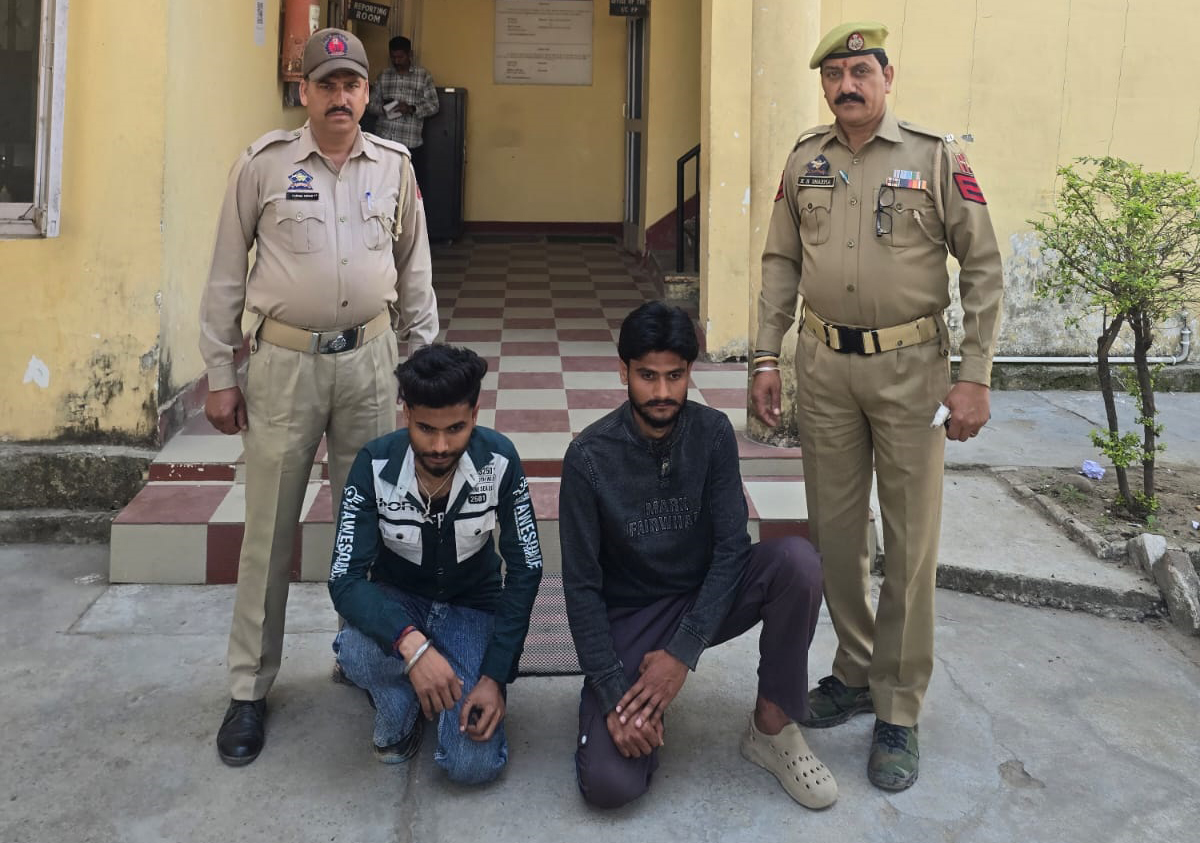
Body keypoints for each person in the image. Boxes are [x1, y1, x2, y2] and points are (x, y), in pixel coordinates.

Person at [751, 21, 1004, 791]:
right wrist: (766, 354)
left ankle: (898, 705)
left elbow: (983, 265)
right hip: (824, 367)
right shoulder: (805, 159)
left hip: (912, 372)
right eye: (833, 75)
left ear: (887, 77)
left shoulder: (935, 157)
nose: (846, 85)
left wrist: (975, 374)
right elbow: (780, 260)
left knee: (910, 542)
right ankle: (856, 670)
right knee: (834, 538)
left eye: (860, 71)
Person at [200, 27, 439, 767]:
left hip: (371, 364)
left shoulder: (395, 167)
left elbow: (416, 271)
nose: (341, 96)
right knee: (269, 531)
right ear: (304, 91)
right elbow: (225, 274)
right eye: (327, 83)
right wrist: (219, 372)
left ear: (368, 94)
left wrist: (425, 368)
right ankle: (248, 687)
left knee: (375, 527)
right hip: (285, 367)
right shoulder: (263, 165)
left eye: (352, 84)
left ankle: (363, 658)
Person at [560, 301, 837, 811]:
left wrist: (681, 654)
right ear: (623, 371)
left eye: (675, 376)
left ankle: (772, 726)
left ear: (690, 372)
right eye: (647, 376)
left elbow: (733, 549)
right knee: (610, 785)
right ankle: (637, 711)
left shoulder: (711, 434)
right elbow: (580, 586)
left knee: (797, 563)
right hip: (632, 615)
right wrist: (611, 690)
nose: (662, 393)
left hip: (707, 595)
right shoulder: (588, 457)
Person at [328, 345, 544, 784]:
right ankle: (402, 703)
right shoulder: (374, 464)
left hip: (472, 609)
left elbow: (526, 568)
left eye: (456, 428)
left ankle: (446, 674)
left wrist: (494, 676)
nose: (441, 446)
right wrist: (411, 645)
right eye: (426, 428)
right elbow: (344, 578)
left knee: (473, 767)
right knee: (356, 653)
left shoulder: (500, 460)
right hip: (400, 605)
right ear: (405, 412)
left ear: (475, 414)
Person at [367, 36, 439, 181]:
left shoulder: (423, 76)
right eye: (393, 57)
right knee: (382, 184)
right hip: (384, 142)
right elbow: (370, 105)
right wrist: (384, 109)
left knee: (409, 187)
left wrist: (411, 109)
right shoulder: (384, 75)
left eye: (400, 57)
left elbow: (434, 105)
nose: (397, 61)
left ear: (409, 54)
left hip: (409, 144)